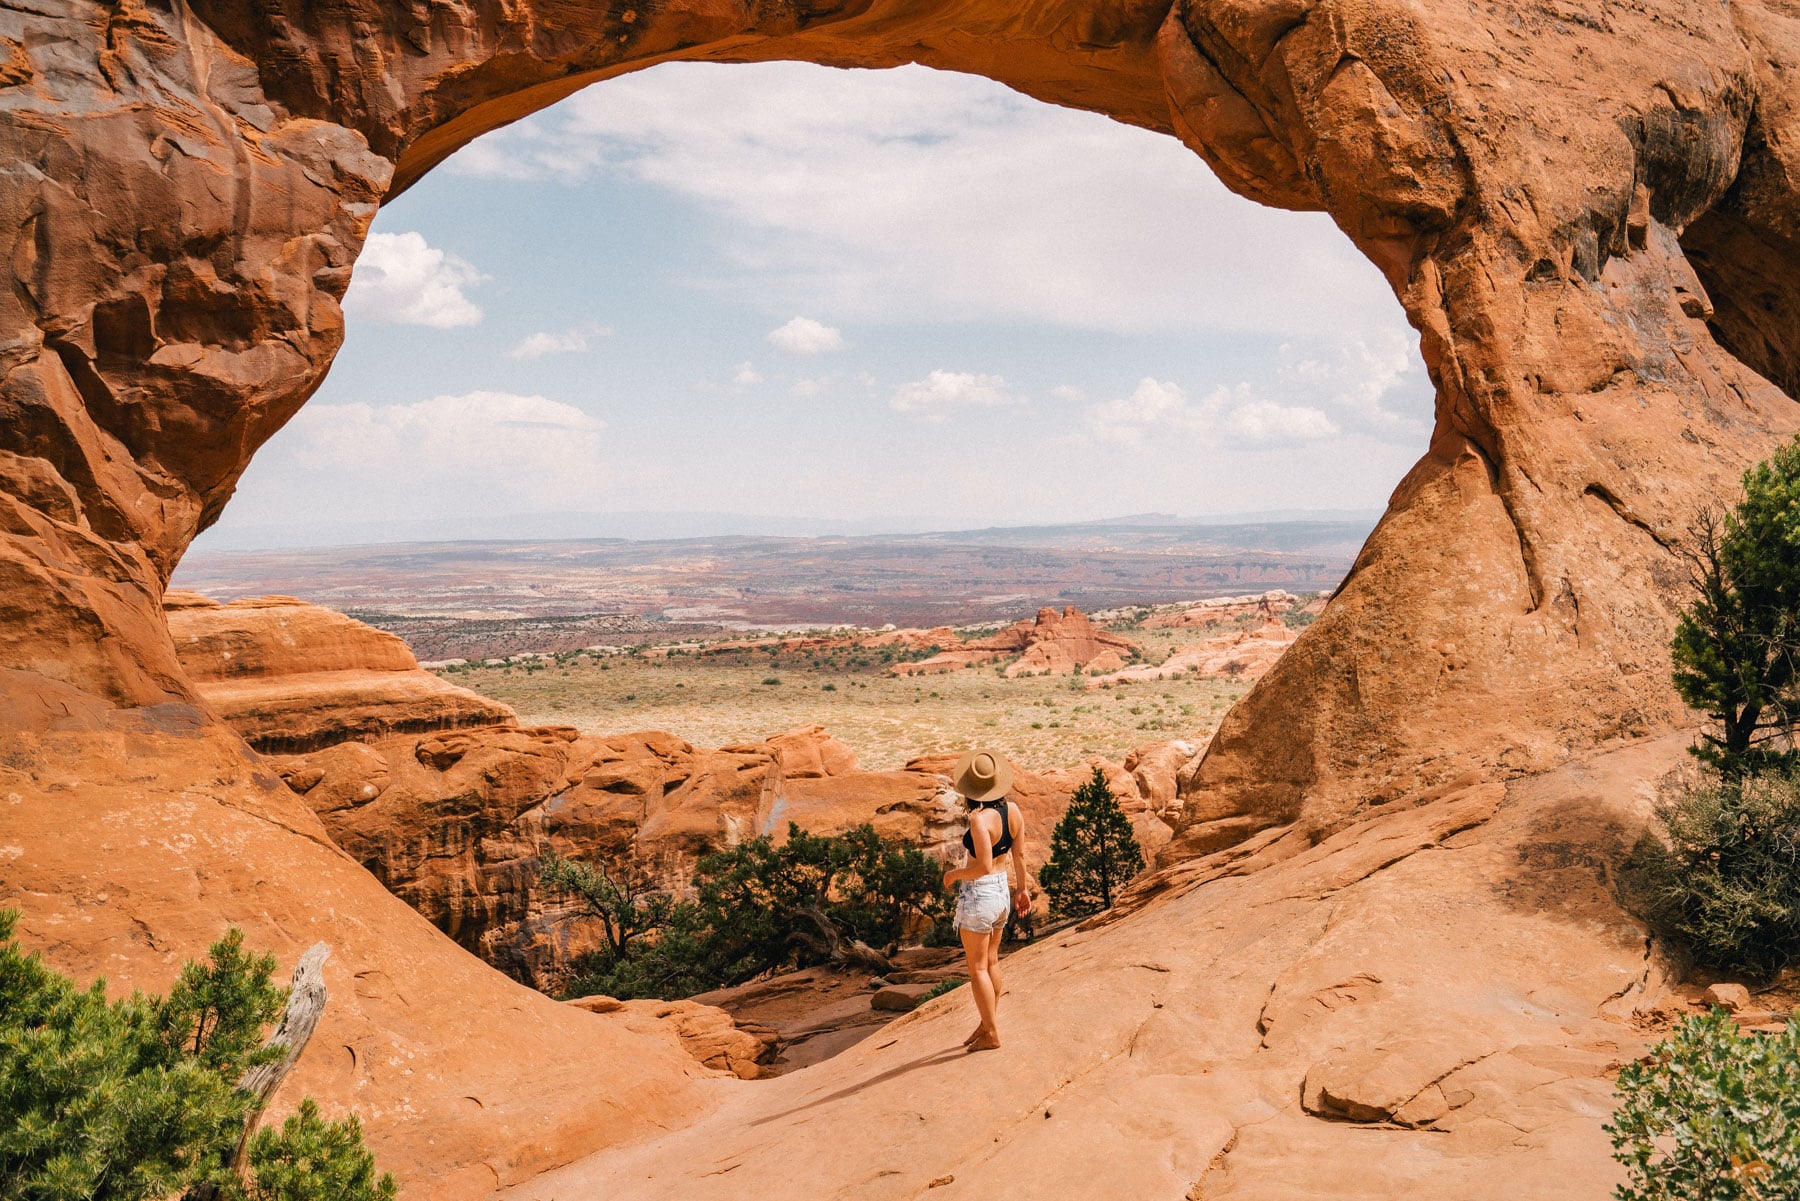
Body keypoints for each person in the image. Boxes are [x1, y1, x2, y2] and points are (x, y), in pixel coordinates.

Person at [941, 748, 1032, 1052]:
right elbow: (1018, 855)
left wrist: (953, 875)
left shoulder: (980, 820)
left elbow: (982, 866)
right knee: (991, 961)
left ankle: (991, 1034)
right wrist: (1022, 890)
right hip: (1002, 893)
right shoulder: (1014, 810)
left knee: (977, 968)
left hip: (980, 895)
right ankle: (987, 1020)